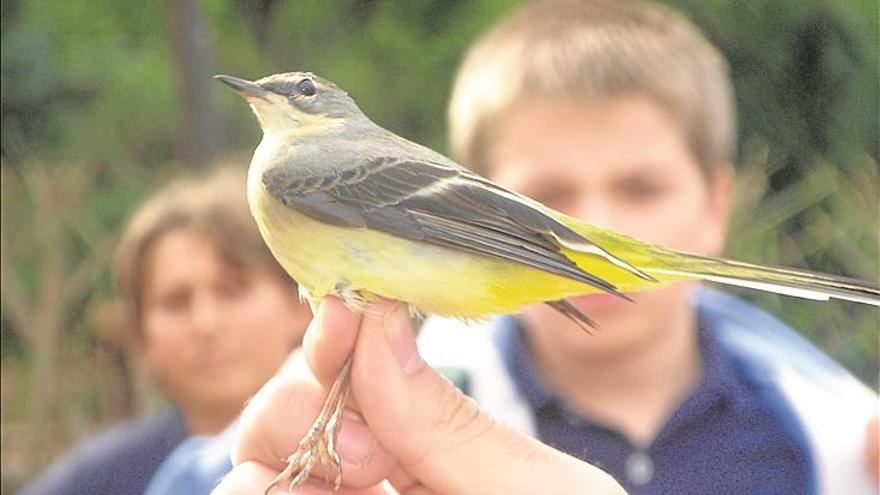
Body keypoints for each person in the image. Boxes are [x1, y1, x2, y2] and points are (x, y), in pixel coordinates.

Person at [193, 0, 880, 493]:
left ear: (718, 200)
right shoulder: (450, 367)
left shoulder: (843, 432)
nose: (598, 208)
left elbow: (440, 218)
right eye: (556, 184)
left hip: (489, 254)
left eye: (641, 185)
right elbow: (191, 474)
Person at [18, 165, 312, 495]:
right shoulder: (100, 479)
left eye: (232, 291)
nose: (205, 323)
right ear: (141, 334)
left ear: (299, 301)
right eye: (175, 302)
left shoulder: (360, 460)